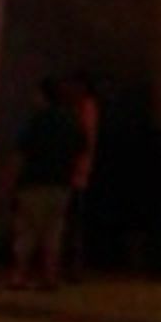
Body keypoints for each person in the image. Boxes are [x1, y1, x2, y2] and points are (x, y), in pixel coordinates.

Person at [9, 77, 84, 290]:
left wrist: (11, 181)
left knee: (27, 231)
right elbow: (81, 147)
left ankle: (19, 275)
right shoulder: (71, 121)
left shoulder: (36, 121)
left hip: (34, 182)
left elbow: (20, 153)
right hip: (61, 183)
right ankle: (50, 276)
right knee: (53, 232)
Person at [64, 70, 100, 278]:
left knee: (73, 219)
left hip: (76, 172)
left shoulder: (85, 108)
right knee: (71, 219)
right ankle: (72, 263)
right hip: (76, 170)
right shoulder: (83, 108)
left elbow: (85, 138)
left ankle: (75, 264)